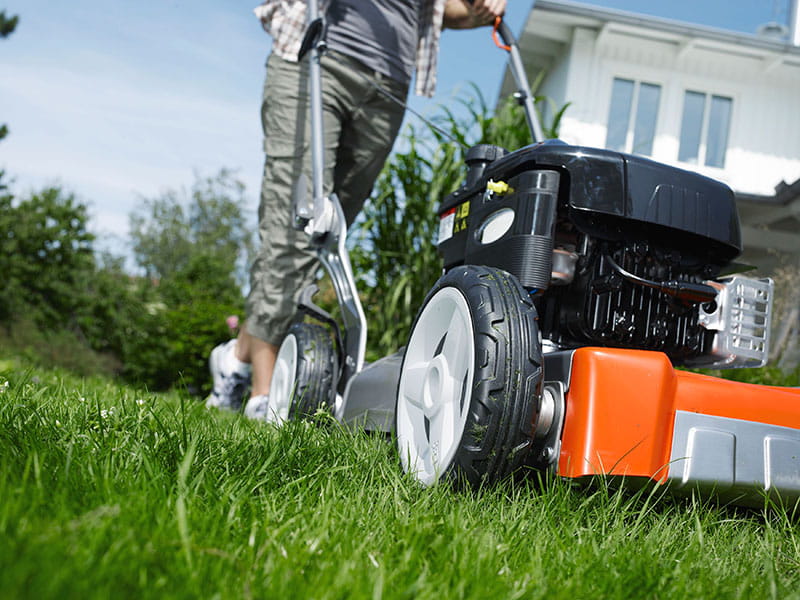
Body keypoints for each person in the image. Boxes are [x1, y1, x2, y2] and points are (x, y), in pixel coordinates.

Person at [206, 0, 507, 418]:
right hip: (316, 57)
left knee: (326, 234)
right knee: (295, 222)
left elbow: (441, 10)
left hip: (388, 86)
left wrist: (482, 6)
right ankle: (263, 393)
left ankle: (236, 357)